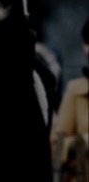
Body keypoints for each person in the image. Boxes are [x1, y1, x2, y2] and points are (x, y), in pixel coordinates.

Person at [50, 17, 89, 181]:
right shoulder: (76, 91)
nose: (88, 49)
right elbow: (55, 148)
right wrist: (81, 144)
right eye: (86, 43)